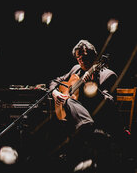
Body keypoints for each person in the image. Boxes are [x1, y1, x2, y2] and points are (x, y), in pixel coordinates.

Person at [49, 39, 123, 169]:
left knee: (69, 101)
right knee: (66, 101)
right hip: (75, 119)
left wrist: (93, 89)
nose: (82, 61)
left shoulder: (108, 75)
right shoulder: (75, 69)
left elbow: (109, 103)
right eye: (79, 58)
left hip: (97, 118)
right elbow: (55, 81)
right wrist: (55, 92)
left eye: (85, 57)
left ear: (94, 56)